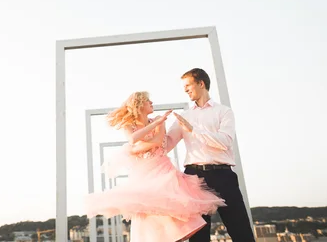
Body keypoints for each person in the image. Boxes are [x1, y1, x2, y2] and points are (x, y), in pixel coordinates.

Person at [84, 91, 225, 242]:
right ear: (139, 104)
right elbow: (132, 139)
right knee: (148, 215)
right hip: (145, 175)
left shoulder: (157, 121)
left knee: (173, 215)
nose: (152, 103)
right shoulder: (129, 125)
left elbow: (159, 143)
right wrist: (156, 125)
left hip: (163, 171)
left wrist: (159, 124)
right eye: (148, 101)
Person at [166, 68, 255, 242]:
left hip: (224, 176)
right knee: (198, 236)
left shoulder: (224, 112)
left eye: (188, 85)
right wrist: (152, 128)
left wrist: (193, 130)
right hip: (194, 178)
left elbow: (225, 142)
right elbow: (167, 144)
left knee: (241, 231)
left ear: (201, 83)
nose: (185, 89)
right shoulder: (184, 116)